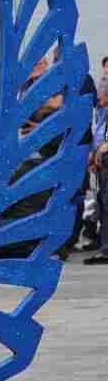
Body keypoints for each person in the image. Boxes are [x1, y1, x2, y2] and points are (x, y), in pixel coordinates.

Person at [84, 77, 108, 265]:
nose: (97, 97)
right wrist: (94, 154)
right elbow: (98, 135)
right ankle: (102, 244)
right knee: (101, 204)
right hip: (101, 163)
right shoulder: (100, 112)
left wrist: (100, 151)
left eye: (100, 93)